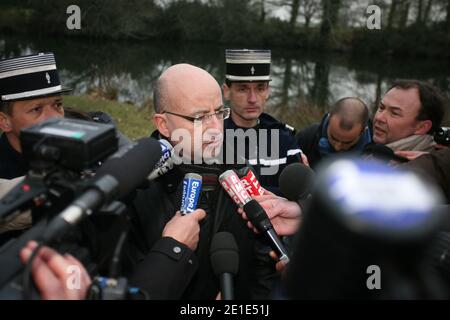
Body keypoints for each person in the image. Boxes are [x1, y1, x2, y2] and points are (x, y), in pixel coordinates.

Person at [126, 64, 277, 299]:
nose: (216, 129)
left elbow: (261, 265)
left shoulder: (241, 169)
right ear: (163, 124)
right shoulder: (135, 188)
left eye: (218, 112)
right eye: (199, 117)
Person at [0, 52, 131, 180]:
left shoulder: (94, 126)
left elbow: (134, 159)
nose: (55, 117)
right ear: (4, 121)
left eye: (57, 104)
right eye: (36, 109)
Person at [222, 49, 303, 193]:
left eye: (260, 88)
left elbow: (300, 193)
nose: (253, 99)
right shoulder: (214, 138)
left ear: (268, 91)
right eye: (243, 89)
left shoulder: (284, 138)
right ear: (227, 91)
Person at [372, 80, 447, 156]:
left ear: (422, 127)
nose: (379, 117)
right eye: (381, 107)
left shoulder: (420, 166)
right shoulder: (372, 150)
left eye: (394, 113)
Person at [296, 97, 372, 169]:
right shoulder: (307, 138)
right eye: (333, 138)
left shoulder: (375, 153)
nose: (337, 147)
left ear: (363, 131)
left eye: (347, 142)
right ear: (329, 119)